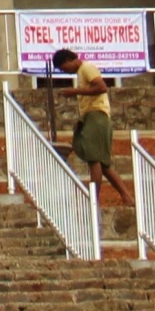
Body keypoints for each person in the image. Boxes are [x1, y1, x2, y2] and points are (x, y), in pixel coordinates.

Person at [51, 47, 130, 205]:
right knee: (103, 164)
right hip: (91, 116)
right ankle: (127, 197)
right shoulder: (81, 73)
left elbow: (101, 87)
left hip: (97, 115)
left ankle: (93, 199)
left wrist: (75, 91)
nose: (64, 71)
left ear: (68, 60)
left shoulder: (86, 68)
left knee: (94, 159)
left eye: (63, 68)